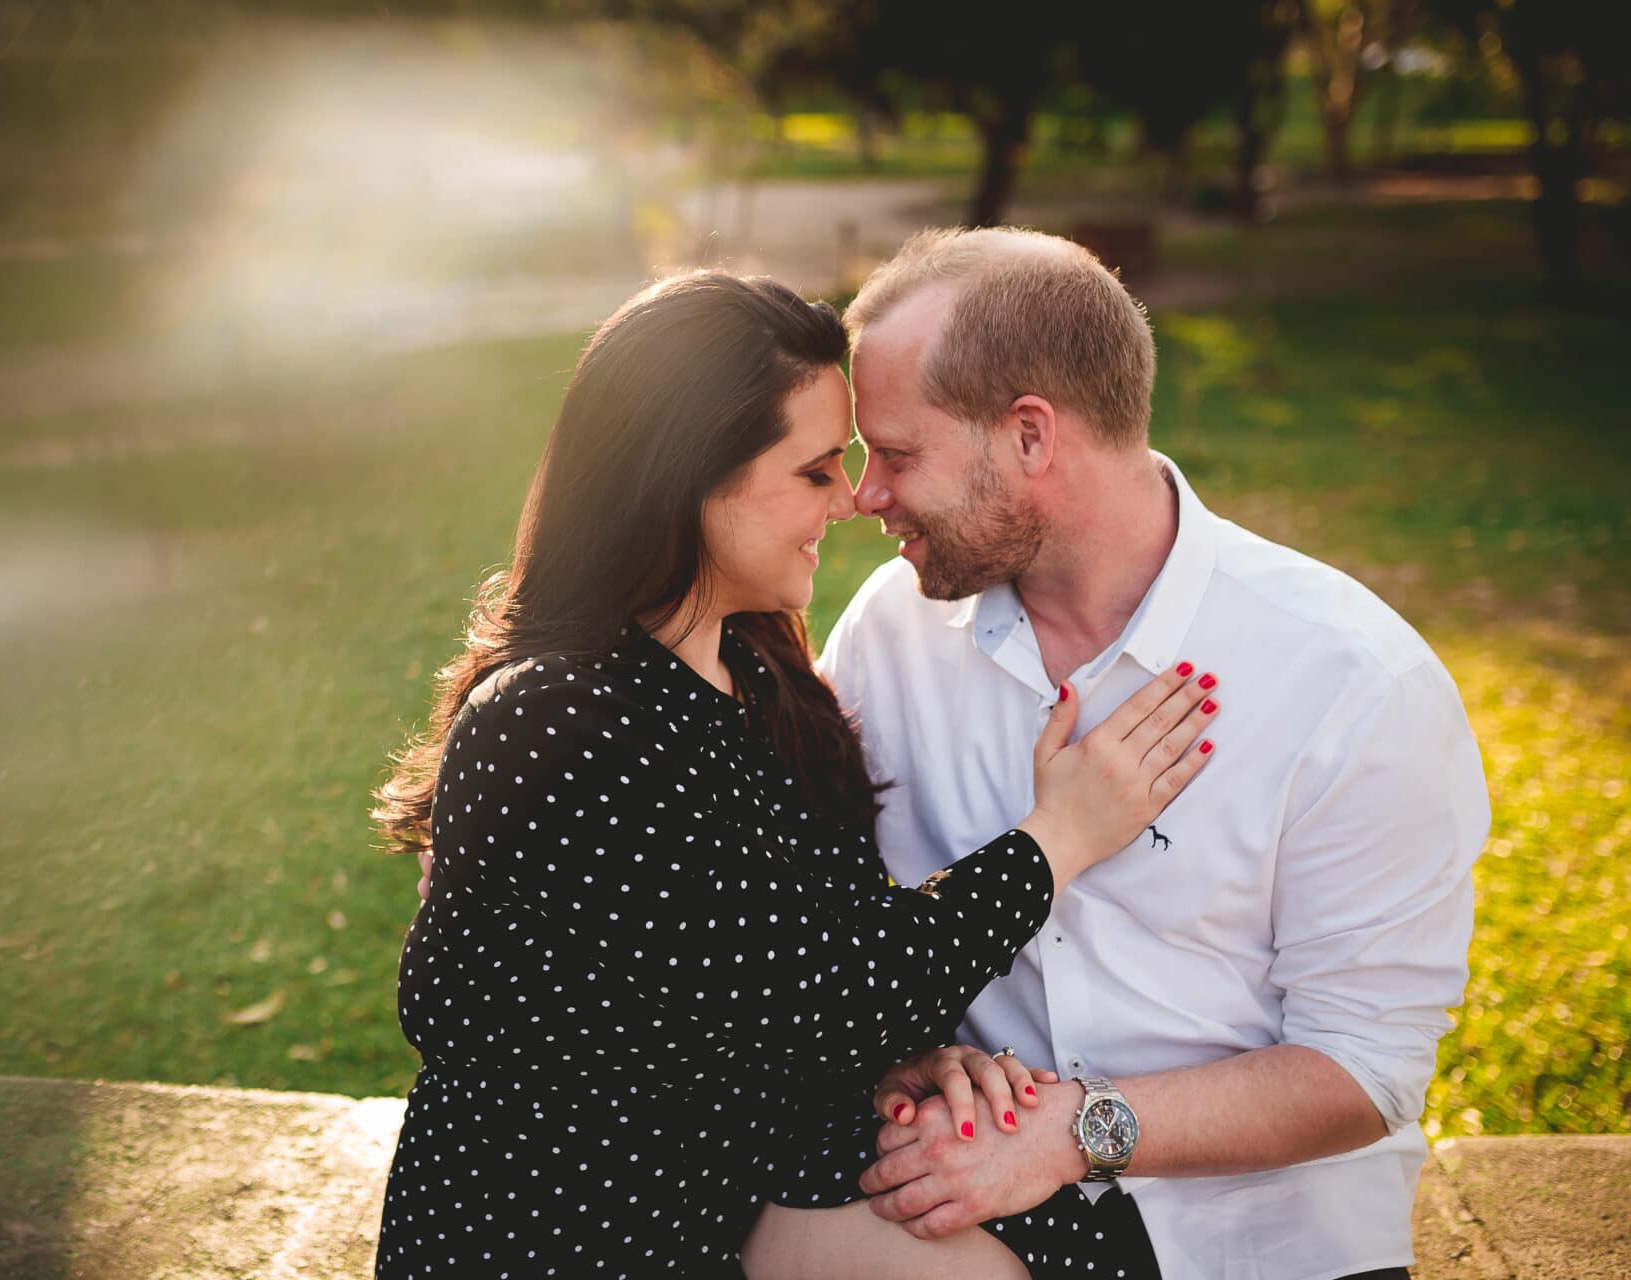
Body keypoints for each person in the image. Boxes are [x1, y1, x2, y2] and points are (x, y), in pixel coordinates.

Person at [372, 271, 1223, 1278]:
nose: (854, 499)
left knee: (1083, 1239)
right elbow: (827, 1000)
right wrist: (1060, 837)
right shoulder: (560, 716)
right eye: (816, 471)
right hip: (560, 1235)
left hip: (722, 1191)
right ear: (690, 473)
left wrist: (909, 1062)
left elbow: (818, 963)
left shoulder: (761, 679)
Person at [768, 227, 1490, 1280]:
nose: (864, 494)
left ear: (1029, 436)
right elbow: (819, 921)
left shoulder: (1353, 682)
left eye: (900, 452)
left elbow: (1364, 1067)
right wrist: (909, 1053)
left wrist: (1071, 1130)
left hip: (1259, 1232)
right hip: (967, 1196)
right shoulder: (893, 632)